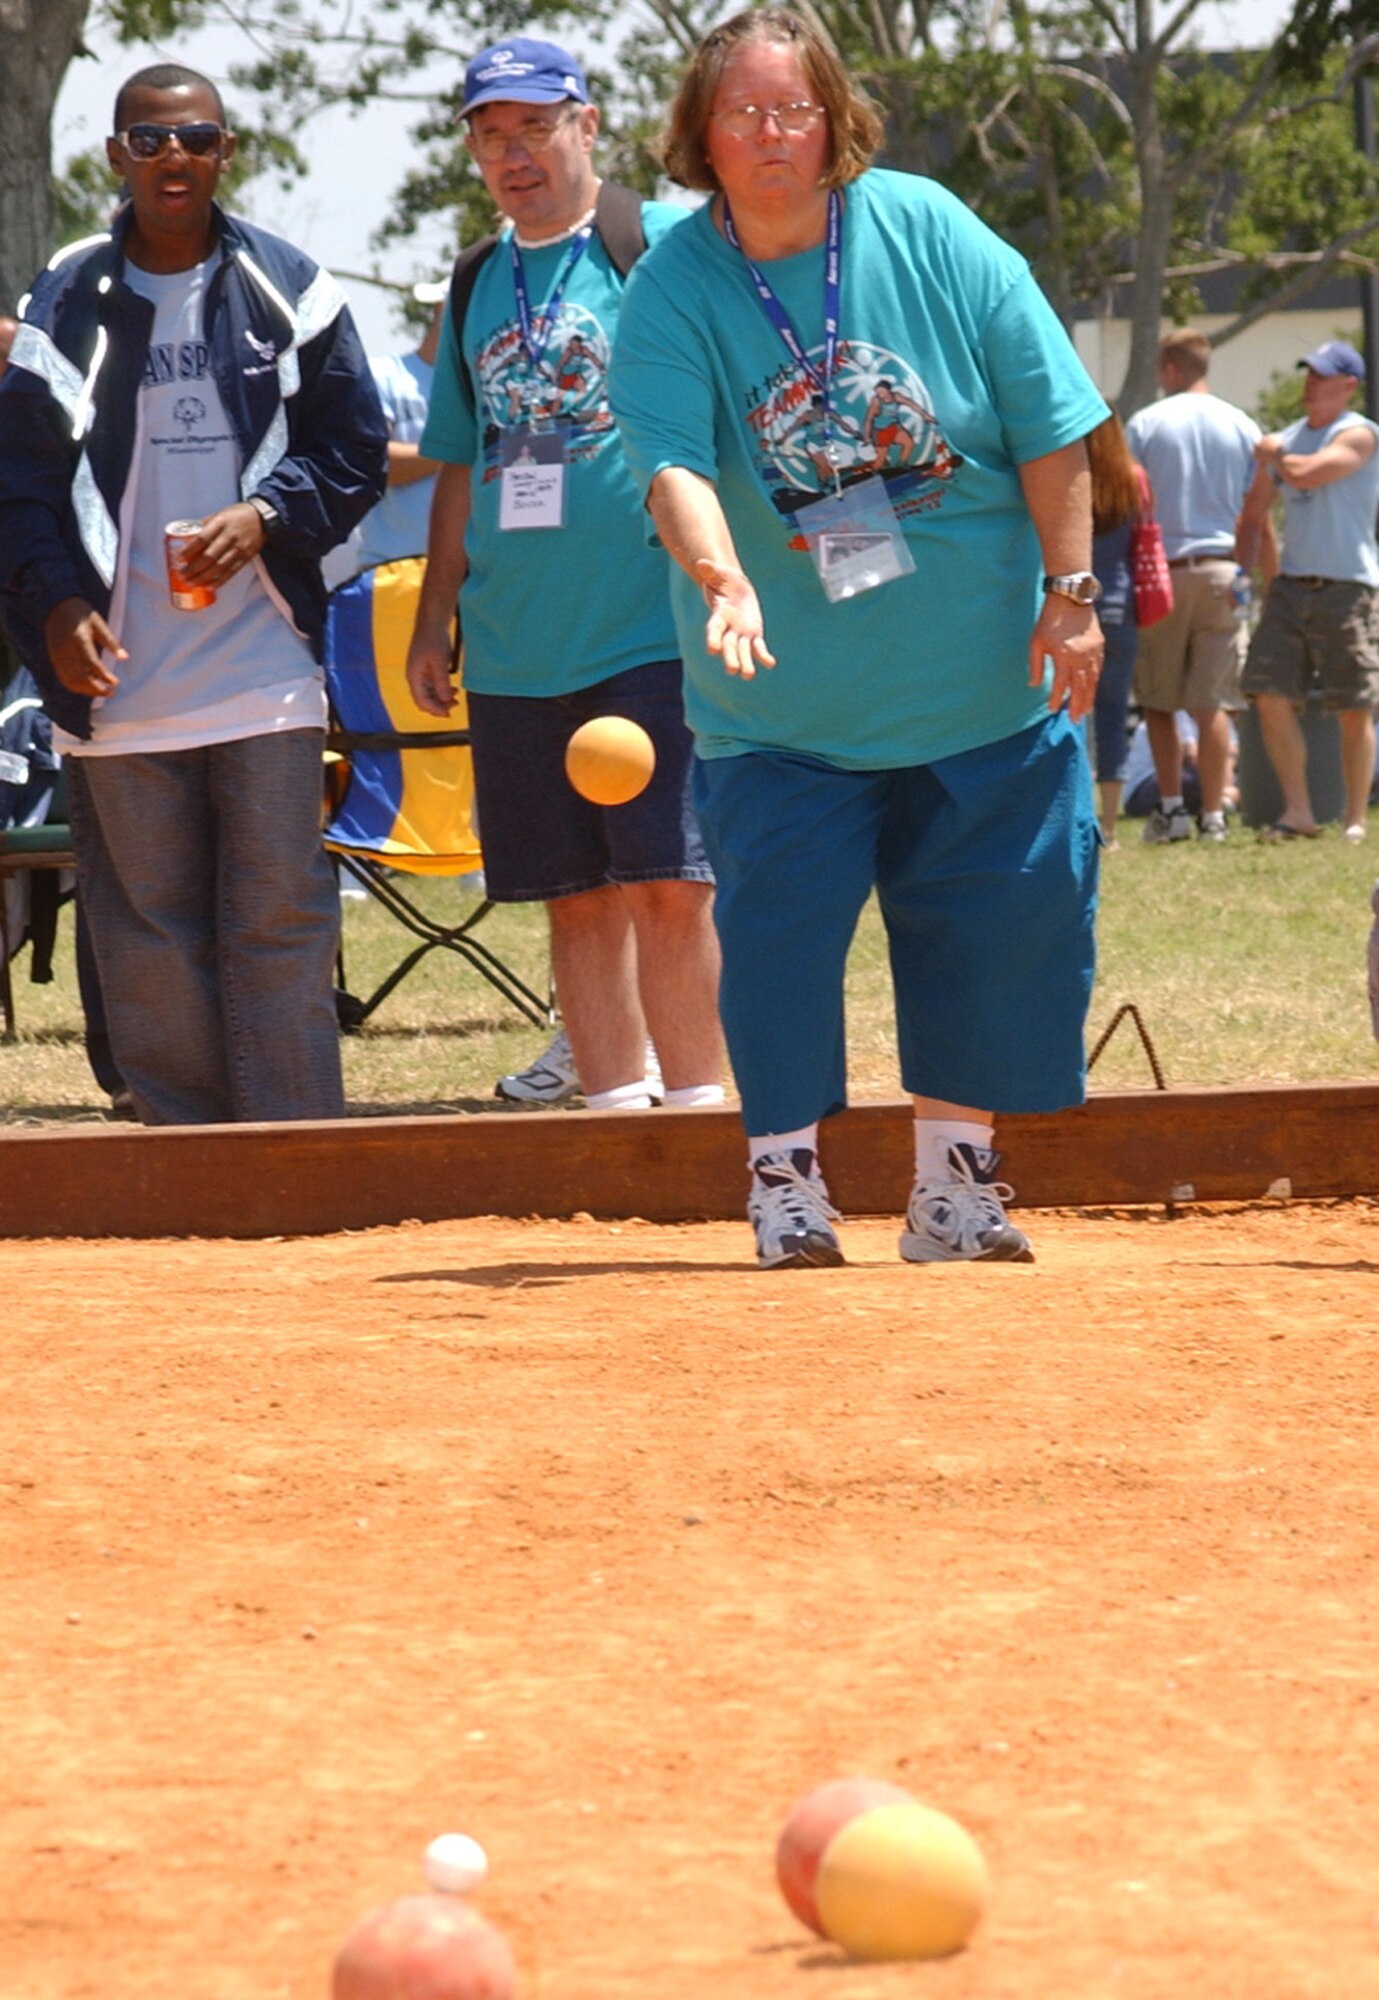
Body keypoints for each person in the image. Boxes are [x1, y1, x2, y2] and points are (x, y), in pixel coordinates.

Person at [610, 6, 1107, 1269]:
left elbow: (1051, 421)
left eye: (792, 109)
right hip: (784, 713)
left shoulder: (928, 226)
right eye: (741, 113)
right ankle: (783, 1183)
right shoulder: (670, 283)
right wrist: (721, 577)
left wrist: (1071, 591)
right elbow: (669, 462)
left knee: (998, 932)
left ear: (832, 120)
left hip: (981, 687)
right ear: (700, 135)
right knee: (775, 946)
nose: (769, 134)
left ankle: (953, 1187)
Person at [0, 63, 387, 1125]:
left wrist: (266, 516)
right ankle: (188, 1167)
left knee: (277, 915)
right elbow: (19, 481)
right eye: (151, 140)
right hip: (115, 679)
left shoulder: (288, 284)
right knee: (147, 930)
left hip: (262, 669)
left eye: (197, 138)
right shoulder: (67, 294)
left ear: (225, 153)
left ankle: (297, 1160)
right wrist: (54, 607)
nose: (174, 157)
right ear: (117, 156)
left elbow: (352, 448)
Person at [405, 36, 725, 1115]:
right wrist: (433, 612)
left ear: (585, 125)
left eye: (534, 127)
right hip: (512, 646)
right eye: (491, 136)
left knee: (669, 886)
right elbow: (463, 460)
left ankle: (699, 1116)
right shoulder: (472, 282)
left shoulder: (664, 242)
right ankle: (612, 1122)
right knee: (571, 899)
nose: (514, 154)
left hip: (649, 626)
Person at [1125, 328, 1267, 844]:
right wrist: (1247, 575)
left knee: (1159, 699)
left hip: (1161, 573)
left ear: (1168, 368)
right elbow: (1255, 513)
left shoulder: (1147, 422)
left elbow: (1130, 501)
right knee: (1212, 704)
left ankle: (1170, 810)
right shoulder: (1242, 425)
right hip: (1222, 571)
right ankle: (1214, 816)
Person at [1236, 340, 1379, 843]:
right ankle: (1298, 811)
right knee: (1267, 691)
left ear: (1348, 386)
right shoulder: (1291, 438)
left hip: (1348, 586)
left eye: (1322, 376)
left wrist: (1274, 452)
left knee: (1352, 703)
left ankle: (1355, 819)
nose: (1311, 383)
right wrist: (1245, 575)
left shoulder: (1359, 434)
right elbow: (1253, 513)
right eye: (1309, 374)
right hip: (1290, 588)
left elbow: (1307, 473)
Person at [1086, 413, 1147, 846]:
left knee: (1068, 716)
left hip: (1075, 603)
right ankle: (1110, 824)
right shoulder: (1132, 478)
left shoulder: (1074, 477)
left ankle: (1078, 815)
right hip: (1120, 607)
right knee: (1113, 716)